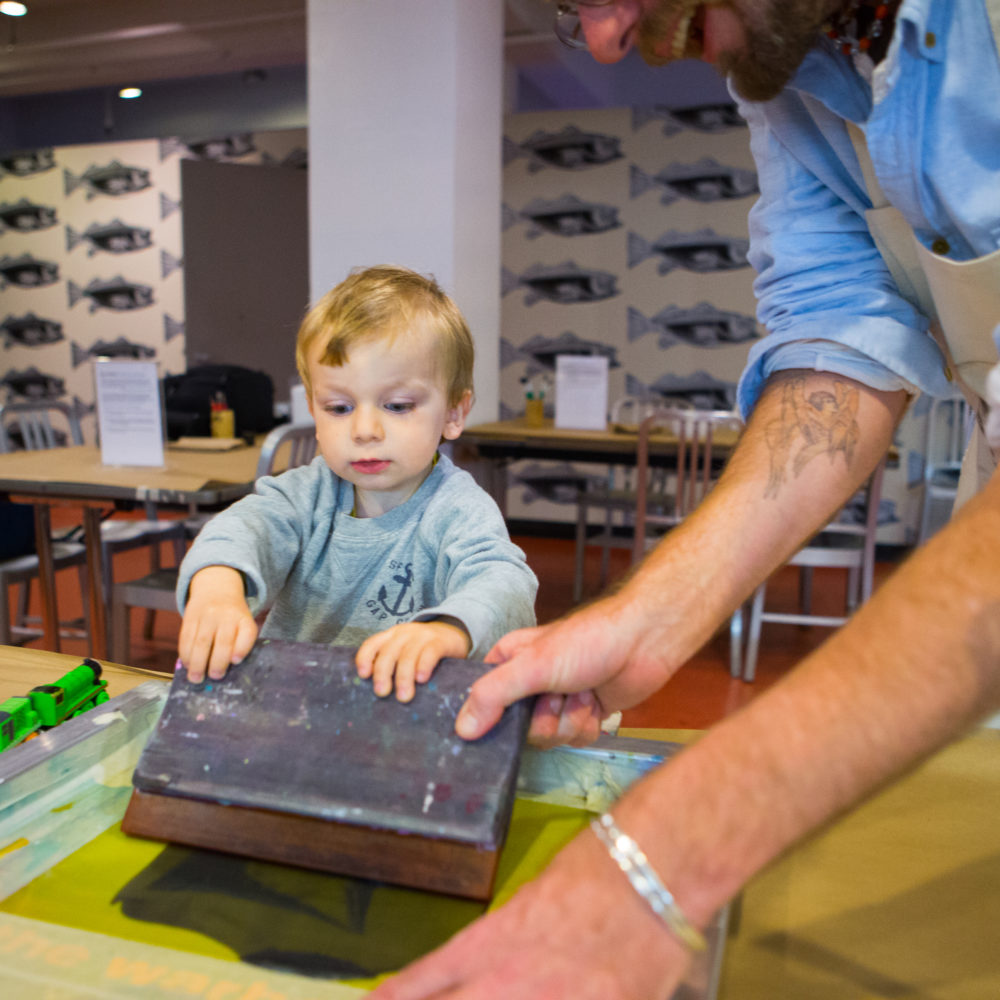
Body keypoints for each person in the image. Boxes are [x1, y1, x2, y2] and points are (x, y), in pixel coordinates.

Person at [370, 2, 1000, 997]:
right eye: (573, 12)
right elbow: (839, 340)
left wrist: (660, 856)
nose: (613, 37)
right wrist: (648, 615)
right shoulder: (793, 62)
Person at [176, 265, 538, 698]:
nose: (365, 430)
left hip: (401, 718)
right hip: (292, 707)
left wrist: (447, 630)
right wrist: (217, 586)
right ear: (313, 408)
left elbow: (505, 585)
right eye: (339, 408)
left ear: (454, 414)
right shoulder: (304, 495)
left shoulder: (457, 508)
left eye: (398, 405)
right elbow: (243, 529)